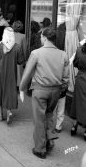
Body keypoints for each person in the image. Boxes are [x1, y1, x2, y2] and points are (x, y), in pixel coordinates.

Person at [19, 27, 69, 159]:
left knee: (39, 119)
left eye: (41, 37)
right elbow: (65, 77)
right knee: (48, 114)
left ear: (45, 38)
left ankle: (40, 149)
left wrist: (21, 88)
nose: (41, 39)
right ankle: (49, 140)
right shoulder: (63, 54)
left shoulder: (36, 53)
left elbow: (27, 74)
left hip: (40, 90)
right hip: (56, 90)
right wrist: (62, 88)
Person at [0, 27, 24, 124]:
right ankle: (9, 112)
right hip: (11, 73)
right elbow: (21, 61)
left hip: (0, 72)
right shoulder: (17, 47)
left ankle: (0, 114)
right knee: (10, 91)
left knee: (0, 90)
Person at [12, 20, 28, 89]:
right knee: (18, 72)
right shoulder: (23, 36)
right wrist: (25, 59)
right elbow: (24, 48)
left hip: (10, 56)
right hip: (19, 56)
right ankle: (17, 86)